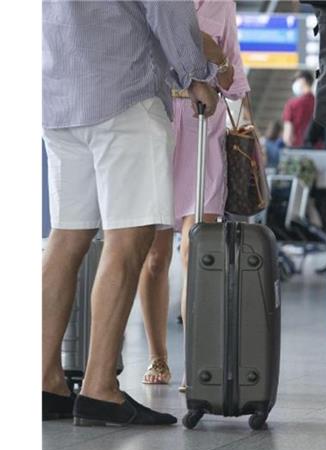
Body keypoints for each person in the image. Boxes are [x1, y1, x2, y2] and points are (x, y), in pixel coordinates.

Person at [42, 0, 219, 425]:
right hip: (122, 94)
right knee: (127, 241)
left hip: (57, 95)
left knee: (66, 238)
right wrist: (197, 75)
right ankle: (101, 388)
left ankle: (45, 381)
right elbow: (168, 9)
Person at [137, 0, 250, 386]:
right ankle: (158, 356)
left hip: (207, 131)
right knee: (153, 256)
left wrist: (216, 60)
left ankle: (194, 362)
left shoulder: (224, 5)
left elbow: (233, 80)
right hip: (159, 124)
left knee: (197, 252)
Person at [282, 70, 316, 148]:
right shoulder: (318, 103)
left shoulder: (292, 104)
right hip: (317, 150)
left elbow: (287, 137)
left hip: (297, 149)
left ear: (302, 80)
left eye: (295, 81)